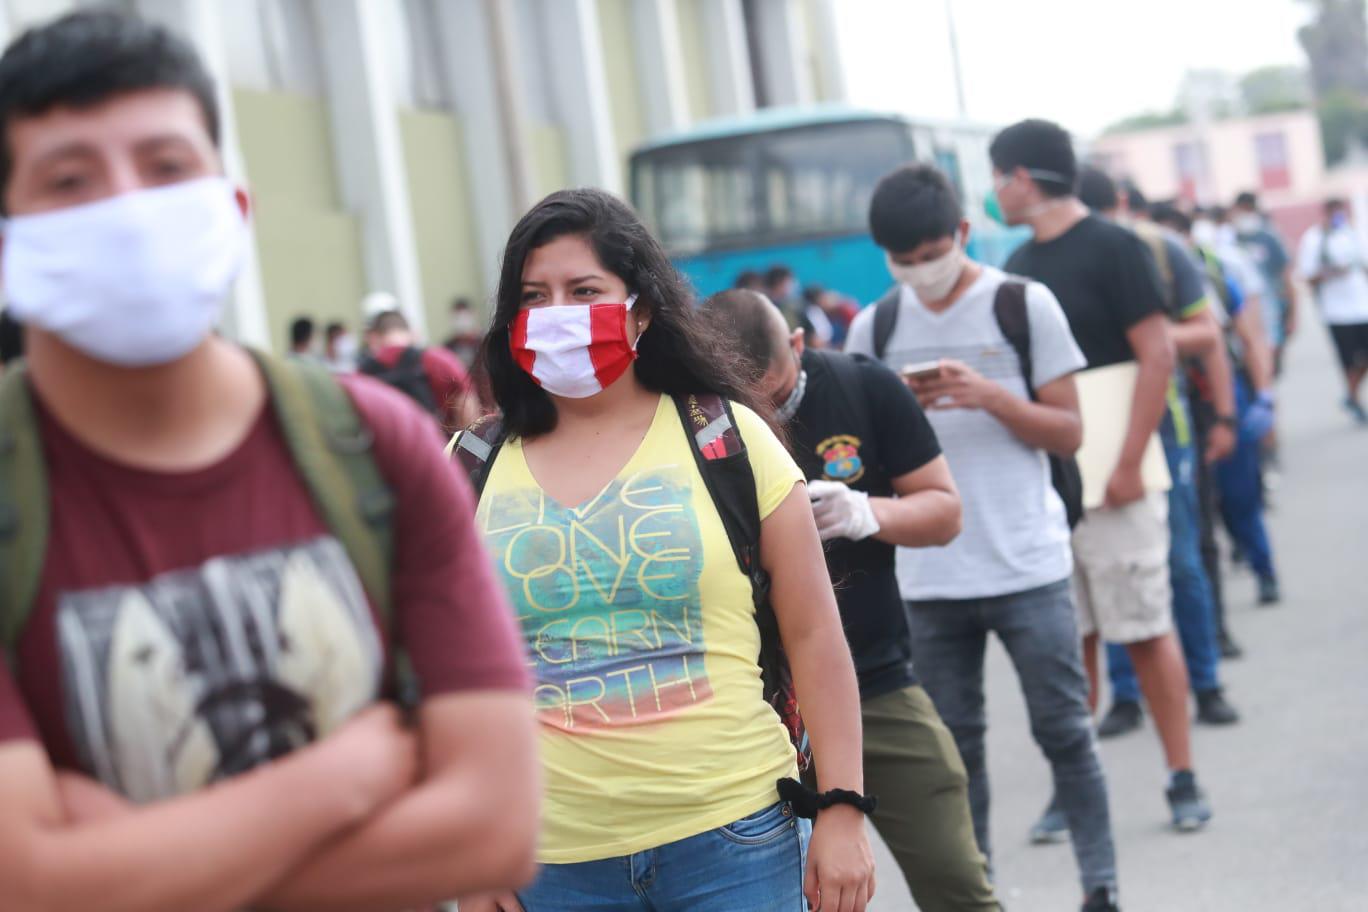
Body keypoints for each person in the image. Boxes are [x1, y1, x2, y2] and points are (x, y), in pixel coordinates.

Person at [0, 10, 539, 911]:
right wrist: (348, 778)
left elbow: (496, 825)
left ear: (232, 206)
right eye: (70, 178)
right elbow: (25, 880)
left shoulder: (374, 446)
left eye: (166, 168)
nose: (128, 208)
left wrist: (120, 864)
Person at [455, 188, 877, 912]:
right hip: (551, 863)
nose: (559, 312)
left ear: (641, 310)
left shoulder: (728, 439)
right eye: (536, 296)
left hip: (735, 840)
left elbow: (814, 636)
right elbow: (447, 674)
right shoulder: (469, 467)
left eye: (585, 290)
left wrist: (842, 808)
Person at [848, 163, 1119, 912]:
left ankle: (1101, 885)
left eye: (932, 252)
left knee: (1065, 730)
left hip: (1027, 562)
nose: (921, 272)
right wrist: (898, 408)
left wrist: (990, 396)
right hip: (929, 580)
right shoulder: (876, 328)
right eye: (904, 261)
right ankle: (979, 891)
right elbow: (860, 458)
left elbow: (1070, 430)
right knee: (954, 753)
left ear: (963, 234)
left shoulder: (1022, 305)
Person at [701, 287, 1004, 912]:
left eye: (777, 394)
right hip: (751, 707)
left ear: (799, 345)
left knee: (957, 881)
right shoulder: (699, 423)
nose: (766, 412)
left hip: (874, 680)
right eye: (746, 399)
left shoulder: (865, 389)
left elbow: (944, 511)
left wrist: (867, 513)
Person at [992, 120, 1213, 836]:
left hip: (1121, 474)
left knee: (1145, 627)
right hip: (1054, 484)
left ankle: (1182, 776)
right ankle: (1074, 788)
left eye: (999, 177)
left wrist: (1125, 465)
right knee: (1069, 641)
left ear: (1022, 177)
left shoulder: (1117, 246)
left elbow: (1157, 356)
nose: (996, 191)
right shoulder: (1018, 264)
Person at [1076, 168, 1241, 737]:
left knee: (1182, 560)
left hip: (1163, 429)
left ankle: (1206, 682)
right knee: (1108, 570)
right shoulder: (1051, 263)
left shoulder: (1159, 249)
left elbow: (1209, 336)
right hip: (1092, 437)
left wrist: (1223, 414)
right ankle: (1127, 696)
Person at [1154, 203, 1283, 607]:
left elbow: (1250, 337)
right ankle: (1214, 617)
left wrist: (1262, 395)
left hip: (1223, 394)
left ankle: (1264, 571)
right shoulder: (1142, 281)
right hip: (1179, 402)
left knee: (1241, 494)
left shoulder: (1215, 271)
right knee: (1200, 516)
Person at [1297, 198, 1368, 423]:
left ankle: (1350, 395)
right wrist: (1331, 272)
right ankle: (1354, 399)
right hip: (1337, 312)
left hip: (1362, 307)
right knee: (1350, 361)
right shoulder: (1314, 239)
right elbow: (1307, 276)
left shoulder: (1353, 234)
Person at [360, 307, 481, 433]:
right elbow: (466, 403)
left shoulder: (363, 374)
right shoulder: (438, 360)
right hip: (438, 447)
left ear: (372, 337)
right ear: (413, 333)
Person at [1232, 191, 1297, 375]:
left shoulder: (1269, 237)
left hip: (1270, 308)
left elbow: (1285, 276)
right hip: (1242, 311)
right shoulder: (1230, 238)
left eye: (1249, 209)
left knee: (1269, 362)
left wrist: (1292, 314)